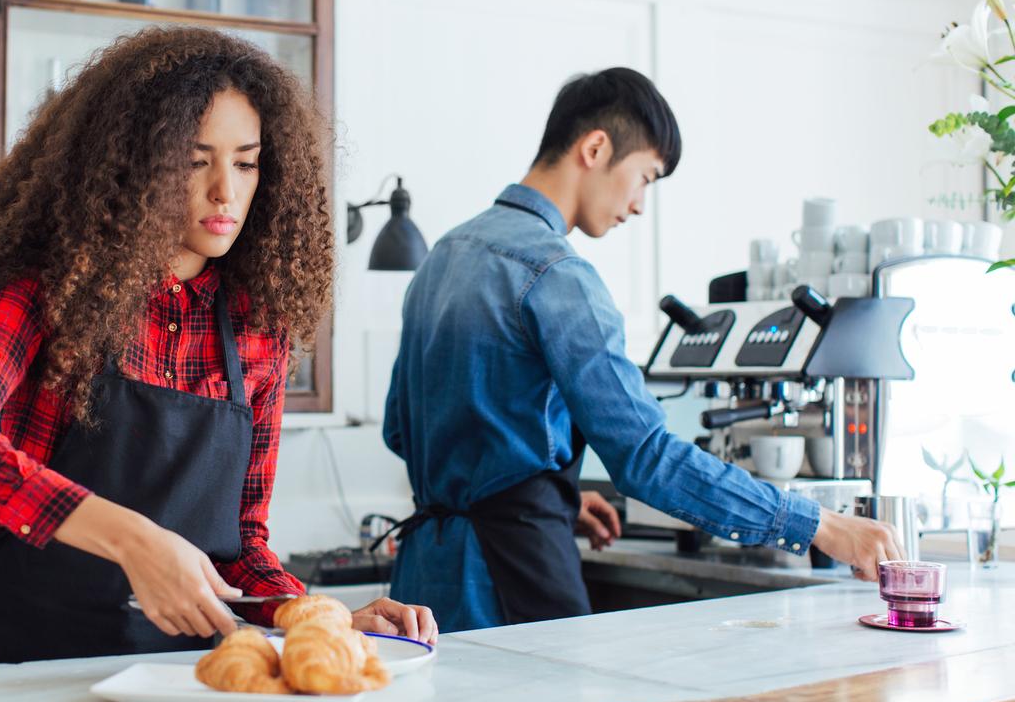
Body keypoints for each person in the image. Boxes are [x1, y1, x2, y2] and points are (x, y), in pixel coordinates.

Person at [0, 27, 437, 662]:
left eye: (245, 162)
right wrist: (134, 539)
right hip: (29, 665)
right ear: (133, 166)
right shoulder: (50, 292)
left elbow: (241, 547)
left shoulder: (260, 332)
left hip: (180, 678)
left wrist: (319, 616)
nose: (225, 192)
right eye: (193, 160)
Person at [382, 68, 904, 633]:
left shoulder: (442, 258)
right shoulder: (558, 275)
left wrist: (543, 498)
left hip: (421, 587)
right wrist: (820, 526)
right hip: (507, 585)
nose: (638, 206)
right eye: (645, 177)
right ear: (596, 147)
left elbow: (400, 432)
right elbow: (646, 458)